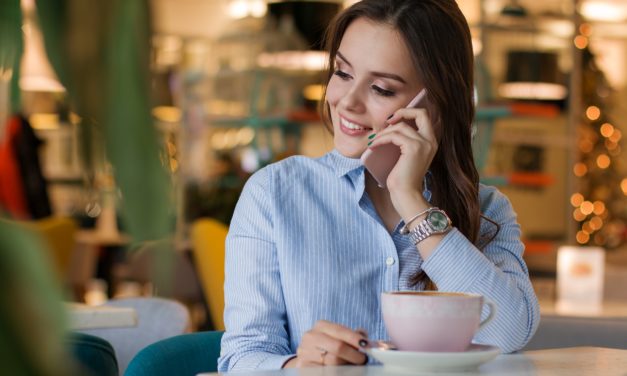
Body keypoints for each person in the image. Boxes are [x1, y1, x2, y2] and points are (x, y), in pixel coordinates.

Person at [218, 0, 540, 371]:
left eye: (382, 89)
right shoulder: (274, 194)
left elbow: (509, 332)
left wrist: (410, 200)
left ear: (433, 104)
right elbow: (241, 357)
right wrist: (299, 366)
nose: (347, 103)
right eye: (342, 73)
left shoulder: (485, 208)